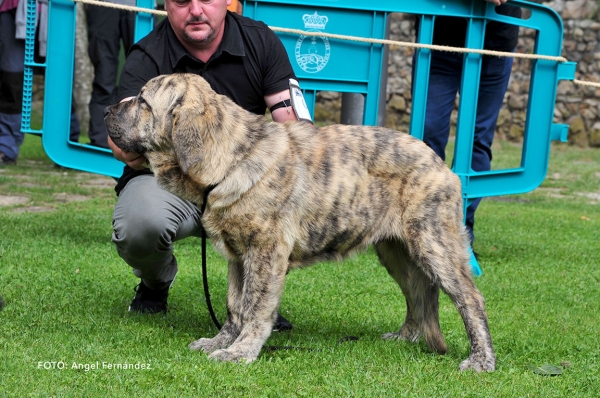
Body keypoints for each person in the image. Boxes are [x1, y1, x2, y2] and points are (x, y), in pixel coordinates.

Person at [108, 0, 298, 330]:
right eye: (182, 1)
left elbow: (295, 127)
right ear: (165, 4)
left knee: (285, 197)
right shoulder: (147, 55)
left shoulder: (260, 41)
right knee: (139, 224)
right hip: (170, 185)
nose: (196, 10)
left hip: (241, 188)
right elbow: (120, 142)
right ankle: (156, 282)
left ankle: (256, 301)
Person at [413, 0, 520, 245]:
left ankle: (461, 231)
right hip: (437, 35)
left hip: (496, 41)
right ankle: (425, 226)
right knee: (427, 135)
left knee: (478, 139)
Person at [0, 0, 79, 166]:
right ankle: (5, 147)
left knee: (60, 80)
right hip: (11, 8)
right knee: (10, 80)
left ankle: (67, 145)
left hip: (58, 11)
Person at [85, 0, 137, 148]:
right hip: (103, 4)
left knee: (144, 78)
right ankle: (101, 144)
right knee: (103, 78)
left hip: (142, 5)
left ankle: (139, 143)